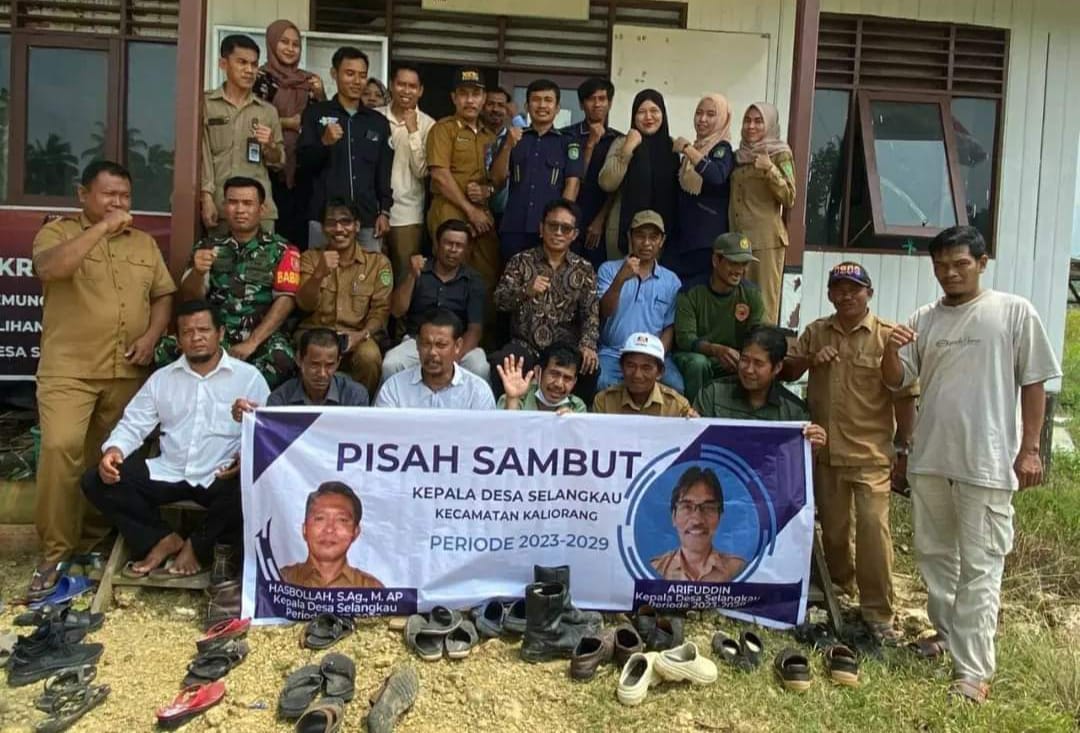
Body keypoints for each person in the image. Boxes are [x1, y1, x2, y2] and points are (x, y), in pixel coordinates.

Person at [881, 225, 1061, 704]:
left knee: (981, 565)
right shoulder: (924, 319)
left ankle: (973, 671)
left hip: (986, 460)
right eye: (941, 265)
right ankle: (946, 635)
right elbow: (897, 381)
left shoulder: (1013, 312)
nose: (950, 273)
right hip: (930, 459)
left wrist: (1030, 450)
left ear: (982, 263)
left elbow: (1035, 382)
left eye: (960, 263)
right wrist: (890, 349)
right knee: (935, 556)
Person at [29, 161, 176, 598]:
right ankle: (56, 553)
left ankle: (93, 544)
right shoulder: (57, 234)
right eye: (109, 194)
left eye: (124, 196)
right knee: (60, 449)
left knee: (109, 461)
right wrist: (102, 229)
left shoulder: (144, 243)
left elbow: (163, 294)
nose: (118, 203)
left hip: (127, 370)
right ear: (83, 195)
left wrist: (152, 336)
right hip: (70, 369)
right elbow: (51, 269)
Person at [82, 300, 269, 579]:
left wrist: (246, 453)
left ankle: (196, 546)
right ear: (178, 340)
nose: (196, 338)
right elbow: (133, 424)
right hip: (170, 471)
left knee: (253, 484)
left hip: (219, 475)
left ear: (220, 333)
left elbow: (267, 432)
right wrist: (114, 450)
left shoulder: (249, 378)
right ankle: (161, 539)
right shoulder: (162, 379)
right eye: (188, 332)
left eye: (204, 330)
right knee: (96, 479)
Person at [784, 262, 918, 640]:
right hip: (826, 455)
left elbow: (904, 396)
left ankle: (878, 613)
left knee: (874, 531)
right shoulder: (816, 332)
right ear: (829, 294)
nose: (846, 296)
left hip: (870, 455)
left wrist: (904, 448)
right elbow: (787, 371)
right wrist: (810, 359)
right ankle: (842, 589)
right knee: (834, 534)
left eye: (854, 289)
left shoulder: (887, 336)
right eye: (839, 289)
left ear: (868, 293)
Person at [162, 176, 299, 388]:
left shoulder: (283, 250)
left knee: (282, 359)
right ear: (225, 207)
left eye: (247, 203)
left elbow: (286, 301)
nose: (240, 210)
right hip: (216, 332)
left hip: (261, 334)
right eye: (233, 202)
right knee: (166, 350)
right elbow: (190, 298)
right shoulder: (207, 246)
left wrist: (252, 342)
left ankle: (244, 404)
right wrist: (198, 272)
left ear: (262, 209)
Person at [490, 198, 599, 397]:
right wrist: (525, 291)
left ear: (574, 235)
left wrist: (588, 345)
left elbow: (591, 314)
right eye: (552, 226)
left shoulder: (584, 269)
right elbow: (499, 301)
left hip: (564, 349)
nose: (558, 232)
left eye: (565, 228)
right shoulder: (521, 261)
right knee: (503, 361)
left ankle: (576, 414)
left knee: (589, 366)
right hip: (525, 345)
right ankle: (508, 412)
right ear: (541, 228)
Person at [298, 46, 393, 252]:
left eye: (362, 75)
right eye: (350, 74)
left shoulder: (378, 122)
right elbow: (302, 165)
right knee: (322, 271)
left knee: (368, 271)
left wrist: (384, 211)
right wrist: (324, 143)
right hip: (325, 218)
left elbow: (383, 173)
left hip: (366, 219)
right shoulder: (315, 114)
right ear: (334, 74)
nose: (357, 81)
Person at [294, 199, 392, 394]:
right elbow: (304, 304)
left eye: (345, 222)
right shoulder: (310, 258)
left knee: (370, 356)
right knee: (309, 351)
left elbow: (381, 311)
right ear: (323, 228)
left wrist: (361, 335)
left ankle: (359, 406)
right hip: (316, 332)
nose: (339, 229)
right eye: (331, 223)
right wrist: (318, 274)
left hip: (356, 335)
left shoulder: (378, 263)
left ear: (357, 226)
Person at [383, 219, 489, 382]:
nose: (453, 249)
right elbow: (397, 311)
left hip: (457, 344)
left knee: (479, 366)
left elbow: (475, 330)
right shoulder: (418, 270)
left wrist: (452, 357)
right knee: (391, 364)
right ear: (437, 244)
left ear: (467, 250)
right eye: (448, 243)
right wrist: (412, 275)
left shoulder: (473, 280)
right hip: (418, 341)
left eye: (459, 245)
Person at [426, 69, 500, 297]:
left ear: (483, 98)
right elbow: (440, 175)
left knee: (486, 277)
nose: (470, 100)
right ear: (454, 98)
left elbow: (497, 178)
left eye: (476, 94)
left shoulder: (490, 136)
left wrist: (488, 190)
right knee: (449, 274)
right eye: (464, 94)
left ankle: (479, 321)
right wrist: (470, 211)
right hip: (450, 210)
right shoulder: (443, 129)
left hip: (483, 215)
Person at [490, 79, 583, 260]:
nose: (542, 105)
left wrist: (560, 224)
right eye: (536, 100)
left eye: (548, 100)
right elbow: (496, 180)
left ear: (557, 108)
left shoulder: (568, 142)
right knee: (512, 276)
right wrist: (508, 146)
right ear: (527, 106)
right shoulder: (514, 138)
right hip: (514, 227)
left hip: (550, 231)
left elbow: (572, 185)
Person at [201, 34, 285, 235]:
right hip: (221, 207)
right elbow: (202, 156)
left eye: (254, 64)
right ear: (223, 64)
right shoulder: (206, 105)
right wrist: (206, 197)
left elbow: (279, 162)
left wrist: (270, 146)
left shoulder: (267, 111)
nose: (249, 70)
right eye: (242, 62)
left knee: (264, 256)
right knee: (219, 256)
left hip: (260, 211)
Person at [694, 328, 828, 452]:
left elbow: (794, 462)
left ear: (777, 367)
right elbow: (694, 446)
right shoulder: (712, 394)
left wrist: (812, 445)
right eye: (744, 360)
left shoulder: (794, 412)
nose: (749, 370)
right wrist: (691, 424)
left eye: (758, 363)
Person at [253, 19, 325, 247]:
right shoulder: (260, 78)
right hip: (268, 165)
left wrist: (321, 95)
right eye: (284, 42)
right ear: (272, 43)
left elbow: (321, 121)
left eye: (295, 44)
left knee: (299, 238)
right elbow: (253, 117)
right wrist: (287, 123)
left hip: (302, 168)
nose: (290, 48)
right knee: (271, 235)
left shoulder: (309, 81)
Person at [596, 209, 683, 392]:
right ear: (630, 237)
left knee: (675, 386)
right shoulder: (608, 270)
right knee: (602, 382)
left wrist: (656, 356)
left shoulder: (671, 280)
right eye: (640, 236)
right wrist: (620, 279)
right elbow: (604, 312)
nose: (646, 243)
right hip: (614, 353)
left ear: (662, 241)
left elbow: (669, 328)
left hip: (652, 355)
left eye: (653, 237)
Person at [673, 233, 765, 403]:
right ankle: (695, 412)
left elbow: (757, 334)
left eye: (744, 264)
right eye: (733, 263)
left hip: (734, 358)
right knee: (697, 364)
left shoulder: (752, 294)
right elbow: (685, 339)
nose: (739, 270)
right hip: (697, 356)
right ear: (716, 260)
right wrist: (716, 350)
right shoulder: (691, 292)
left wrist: (743, 357)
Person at [730, 102, 796, 325]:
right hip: (738, 242)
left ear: (769, 125)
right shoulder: (739, 156)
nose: (751, 126)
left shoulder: (780, 154)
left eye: (758, 121)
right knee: (738, 304)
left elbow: (790, 196)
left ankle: (763, 348)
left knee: (763, 305)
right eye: (747, 121)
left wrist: (770, 169)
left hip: (765, 242)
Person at [598, 89, 678, 259]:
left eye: (654, 111)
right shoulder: (622, 143)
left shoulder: (672, 147)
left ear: (663, 114)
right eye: (641, 112)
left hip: (664, 235)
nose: (648, 117)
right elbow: (607, 183)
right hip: (624, 233)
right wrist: (628, 148)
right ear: (634, 116)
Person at [376, 65, 436, 285]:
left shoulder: (428, 124)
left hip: (408, 213)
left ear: (421, 91)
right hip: (372, 209)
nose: (406, 91)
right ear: (392, 85)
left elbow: (422, 171)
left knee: (405, 276)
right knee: (372, 274)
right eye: (401, 84)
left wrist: (413, 131)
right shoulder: (375, 116)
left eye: (412, 86)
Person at [668, 94, 735, 287]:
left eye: (711, 114)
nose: (702, 119)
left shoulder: (722, 149)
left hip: (706, 244)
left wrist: (688, 149)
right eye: (699, 113)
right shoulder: (696, 150)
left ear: (722, 119)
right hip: (683, 241)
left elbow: (716, 175)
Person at [375, 309, 496, 409]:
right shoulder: (395, 388)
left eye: (441, 345)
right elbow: (382, 430)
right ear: (417, 344)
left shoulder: (477, 391)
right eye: (426, 344)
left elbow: (487, 431)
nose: (432, 352)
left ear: (458, 346)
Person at [233, 328, 369, 415]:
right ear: (299, 360)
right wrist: (251, 417)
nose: (322, 373)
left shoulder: (355, 396)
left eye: (329, 365)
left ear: (338, 362)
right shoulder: (281, 400)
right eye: (314, 365)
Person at [561, 77, 621, 270]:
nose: (597, 104)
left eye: (602, 99)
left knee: (596, 273)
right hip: (570, 212)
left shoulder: (618, 140)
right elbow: (576, 177)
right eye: (591, 99)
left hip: (602, 219)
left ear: (610, 103)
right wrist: (591, 144)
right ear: (581, 104)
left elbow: (617, 186)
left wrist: (600, 220)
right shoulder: (566, 135)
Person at [279, 481, 385, 589]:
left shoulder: (371, 588)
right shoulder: (279, 580)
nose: (329, 529)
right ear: (304, 529)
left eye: (342, 520)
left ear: (355, 532)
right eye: (320, 518)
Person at [650, 467, 745, 582]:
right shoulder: (655, 569)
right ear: (673, 517)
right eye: (687, 507)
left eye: (708, 507)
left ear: (719, 516)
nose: (697, 520)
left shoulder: (738, 569)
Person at [593, 333, 694, 417]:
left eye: (646, 368)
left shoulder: (677, 406)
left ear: (660, 372)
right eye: (631, 365)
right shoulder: (604, 402)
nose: (637, 375)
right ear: (622, 368)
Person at [495, 345, 587, 414]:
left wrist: (571, 423)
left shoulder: (577, 407)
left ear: (574, 382)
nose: (559, 384)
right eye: (554, 374)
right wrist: (512, 400)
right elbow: (504, 432)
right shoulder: (514, 398)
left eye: (567, 378)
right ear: (538, 372)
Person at [481, 86, 512, 223]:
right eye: (490, 104)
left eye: (501, 105)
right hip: (473, 208)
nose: (495, 109)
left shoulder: (515, 140)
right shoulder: (472, 135)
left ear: (507, 110)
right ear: (482, 106)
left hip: (505, 214)